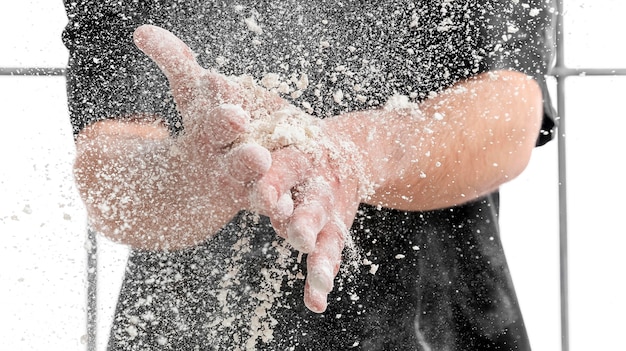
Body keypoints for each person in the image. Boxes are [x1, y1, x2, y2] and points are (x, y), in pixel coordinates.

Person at [63, 0, 557, 350]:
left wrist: (355, 153)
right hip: (195, 327)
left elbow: (512, 110)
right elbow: (107, 160)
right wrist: (187, 178)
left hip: (432, 321)